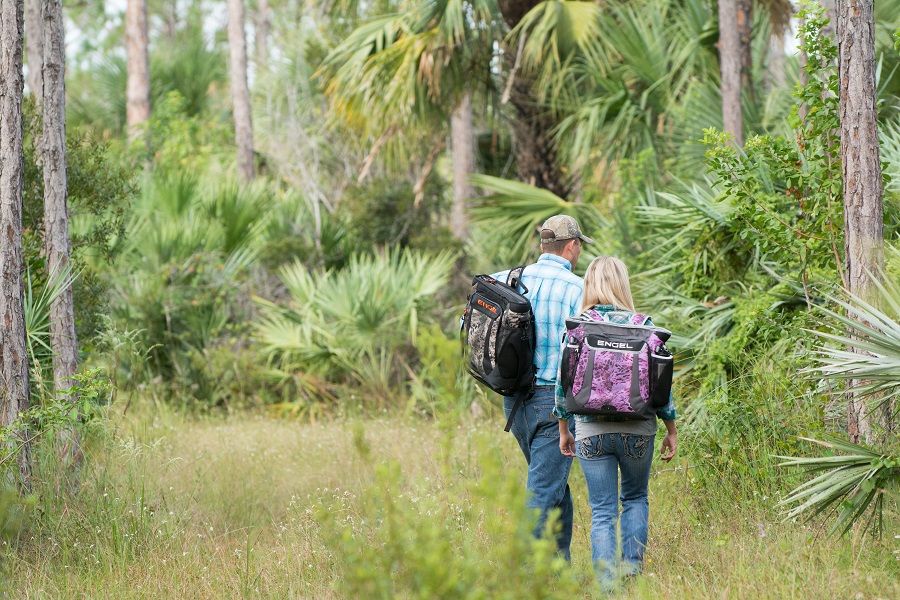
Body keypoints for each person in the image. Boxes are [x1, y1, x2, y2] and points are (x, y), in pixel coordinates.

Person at [552, 256, 677, 588]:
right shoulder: (645, 327)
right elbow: (662, 385)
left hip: (591, 431)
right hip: (638, 430)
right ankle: (632, 573)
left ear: (590, 283)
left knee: (603, 511)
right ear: (623, 283)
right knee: (635, 498)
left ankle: (607, 585)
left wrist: (564, 429)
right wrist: (671, 429)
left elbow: (562, 384)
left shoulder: (578, 328)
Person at [493, 214, 593, 560]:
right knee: (543, 490)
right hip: (554, 407)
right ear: (572, 245)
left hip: (513, 403)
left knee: (553, 485)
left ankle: (559, 570)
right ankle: (524, 576)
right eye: (579, 245)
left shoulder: (508, 279)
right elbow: (587, 353)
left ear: (542, 245)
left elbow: (469, 318)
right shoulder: (576, 289)